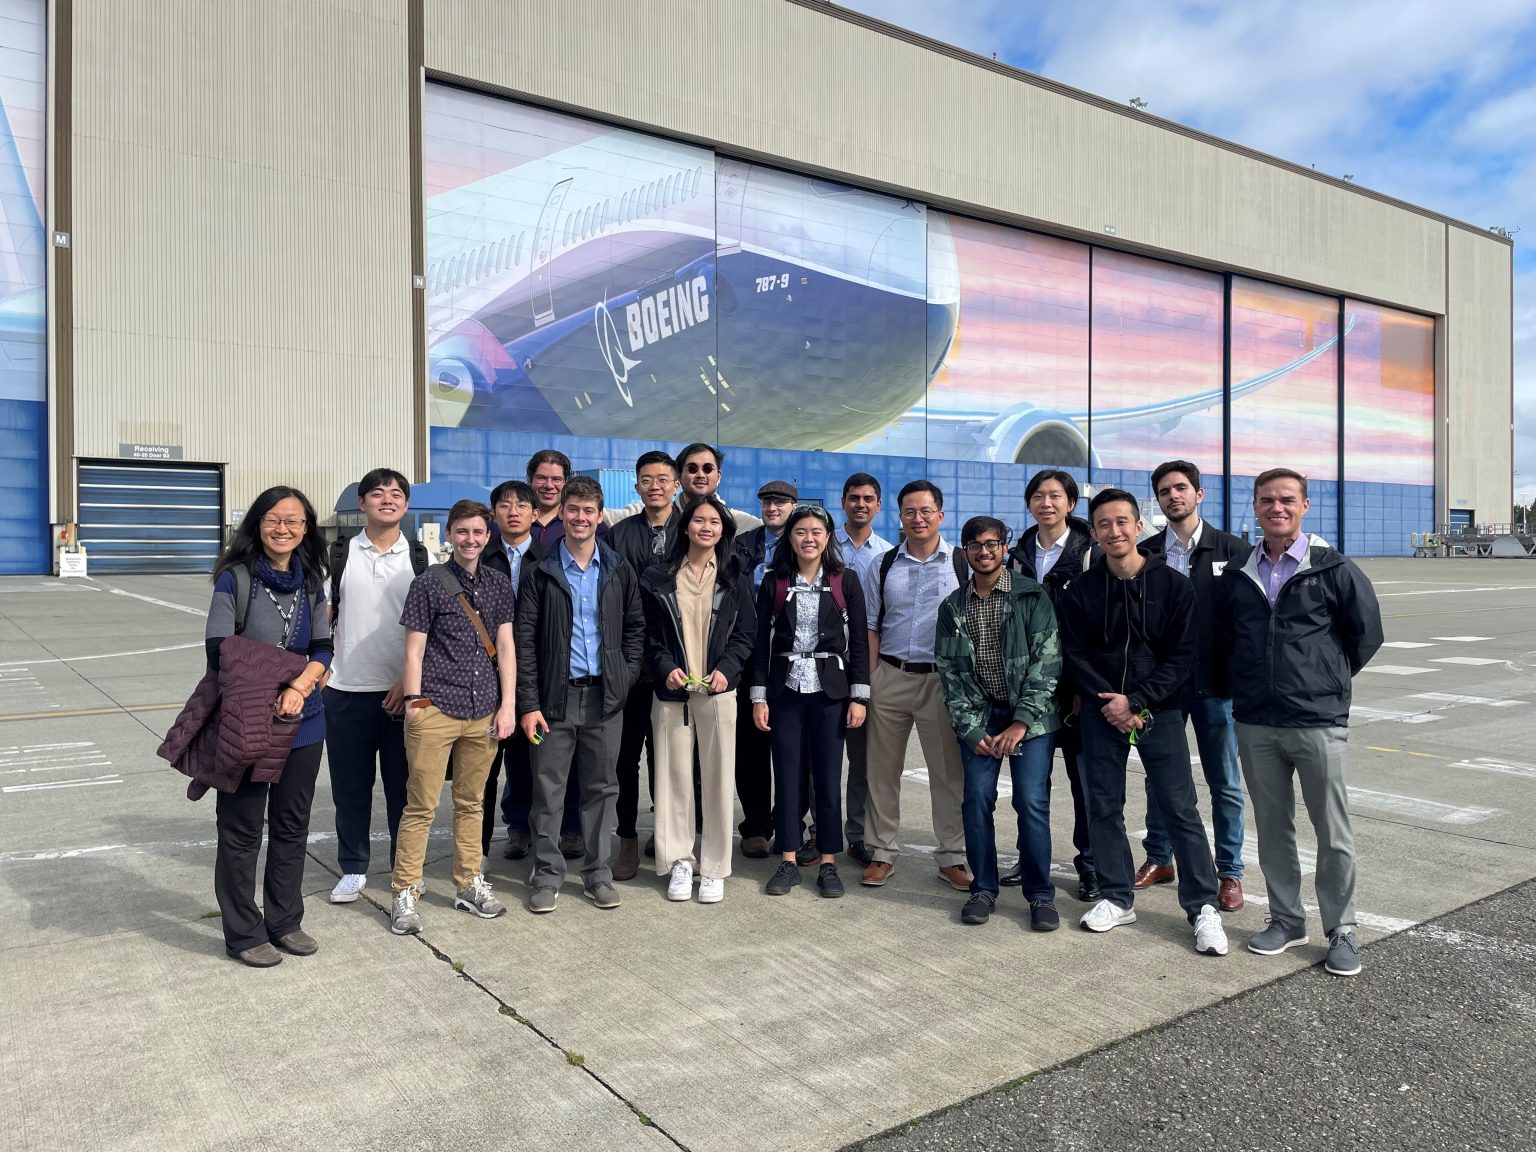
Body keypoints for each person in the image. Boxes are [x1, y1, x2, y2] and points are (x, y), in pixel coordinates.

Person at [1213, 468, 1383, 976]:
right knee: (1272, 827)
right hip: (1256, 721)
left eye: (1287, 499)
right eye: (1267, 500)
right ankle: (1287, 919)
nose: (1277, 507)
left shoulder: (1333, 568)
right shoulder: (1240, 571)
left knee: (1332, 831)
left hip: (1317, 720)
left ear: (1305, 505)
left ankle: (1342, 929)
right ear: (1255, 506)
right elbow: (1226, 639)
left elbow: (1366, 633)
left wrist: (1325, 679)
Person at [1057, 489, 1228, 957]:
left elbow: (1181, 657)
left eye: (1122, 522)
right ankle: (1117, 896)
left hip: (1160, 710)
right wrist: (1110, 703)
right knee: (1104, 807)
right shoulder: (1082, 591)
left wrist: (1138, 701)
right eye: (1104, 525)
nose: (1114, 531)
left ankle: (1203, 907)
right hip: (1100, 713)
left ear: (1138, 528)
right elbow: (1075, 655)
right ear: (1093, 533)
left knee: (1180, 808)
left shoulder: (1174, 586)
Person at [205, 487, 333, 967]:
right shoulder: (233, 580)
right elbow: (219, 651)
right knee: (240, 829)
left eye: (294, 521)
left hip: (303, 721)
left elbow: (323, 646)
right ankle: (242, 932)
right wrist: (284, 674)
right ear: (257, 525)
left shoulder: (314, 583)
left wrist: (300, 684)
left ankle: (284, 921)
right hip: (247, 720)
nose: (284, 528)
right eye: (273, 520)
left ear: (306, 529)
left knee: (291, 825)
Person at [388, 500, 519, 936]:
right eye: (462, 531)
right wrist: (414, 702)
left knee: (472, 803)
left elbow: (505, 648)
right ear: (448, 534)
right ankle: (406, 889)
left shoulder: (500, 584)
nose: (470, 539)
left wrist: (508, 705)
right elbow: (414, 649)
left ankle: (468, 882)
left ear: (488, 536)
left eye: (478, 532)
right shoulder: (428, 584)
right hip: (437, 707)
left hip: (483, 710)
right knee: (421, 805)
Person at [517, 475, 645, 913]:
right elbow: (526, 643)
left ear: (599, 515)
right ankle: (548, 874)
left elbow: (635, 629)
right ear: (561, 513)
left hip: (605, 698)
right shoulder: (541, 572)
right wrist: (529, 703)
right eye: (573, 509)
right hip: (555, 700)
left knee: (602, 788)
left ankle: (597, 873)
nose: (579, 517)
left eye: (589, 511)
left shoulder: (618, 569)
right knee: (548, 790)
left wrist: (624, 677)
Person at [936, 516, 1062, 930]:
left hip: (1031, 718)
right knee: (976, 799)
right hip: (981, 715)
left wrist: (1022, 722)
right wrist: (972, 730)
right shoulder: (953, 607)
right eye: (975, 545)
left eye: (992, 544)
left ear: (1004, 548)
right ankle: (984, 889)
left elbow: (1047, 663)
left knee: (1031, 802)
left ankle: (1040, 895)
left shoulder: (1030, 595)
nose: (984, 552)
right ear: (965, 551)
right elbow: (951, 673)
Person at [1136, 460, 1250, 911]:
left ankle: (1230, 873)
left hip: (1215, 687)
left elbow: (1247, 621)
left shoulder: (1233, 550)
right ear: (1158, 500)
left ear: (1199, 494)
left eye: (1181, 488)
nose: (1173, 496)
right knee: (1159, 778)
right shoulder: (1146, 553)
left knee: (1224, 781)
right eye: (1164, 491)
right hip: (1162, 688)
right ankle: (1159, 857)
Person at [640, 494, 755, 903]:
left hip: (719, 691)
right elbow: (648, 636)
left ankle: (714, 867)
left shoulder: (736, 576)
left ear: (723, 531)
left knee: (720, 778)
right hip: (672, 693)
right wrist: (664, 665)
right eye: (699, 520)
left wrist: (727, 669)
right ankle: (679, 862)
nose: (706, 527)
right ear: (685, 526)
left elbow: (745, 636)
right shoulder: (657, 576)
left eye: (715, 522)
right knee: (672, 778)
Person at [323, 468, 429, 905]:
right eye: (378, 493)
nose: (388, 499)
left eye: (397, 493)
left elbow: (432, 629)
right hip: (346, 689)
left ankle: (404, 870)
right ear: (362, 502)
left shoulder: (421, 559)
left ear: (406, 505)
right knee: (350, 787)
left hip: (402, 695)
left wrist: (407, 680)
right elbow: (321, 618)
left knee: (404, 789)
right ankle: (353, 866)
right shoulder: (339, 555)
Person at [752, 505, 869, 897]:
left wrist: (859, 697)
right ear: (790, 537)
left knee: (827, 778)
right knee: (785, 776)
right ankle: (787, 858)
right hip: (785, 692)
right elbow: (759, 645)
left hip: (830, 693)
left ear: (827, 537)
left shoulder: (845, 580)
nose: (808, 538)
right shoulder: (775, 582)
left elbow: (859, 651)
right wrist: (758, 697)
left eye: (817, 531)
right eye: (800, 531)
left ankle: (828, 861)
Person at [861, 480, 971, 891]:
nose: (918, 518)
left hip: (940, 681)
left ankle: (952, 856)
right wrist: (871, 680)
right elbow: (871, 625)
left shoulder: (960, 563)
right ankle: (882, 852)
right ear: (900, 516)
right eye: (910, 511)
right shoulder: (884, 564)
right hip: (889, 675)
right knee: (881, 771)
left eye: (926, 511)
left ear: (941, 515)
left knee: (947, 773)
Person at [1005, 468, 1099, 902]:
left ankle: (1092, 865)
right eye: (1038, 496)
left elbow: (1101, 628)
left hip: (1077, 690)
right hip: (1028, 689)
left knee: (1085, 784)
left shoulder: (1089, 554)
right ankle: (1031, 857)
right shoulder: (1015, 556)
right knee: (1030, 785)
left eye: (1056, 496)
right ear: (1029, 504)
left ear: (1071, 504)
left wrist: (1087, 686)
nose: (1047, 503)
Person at [479, 479, 580, 861]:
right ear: (494, 514)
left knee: (547, 761)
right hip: (488, 678)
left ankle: (560, 831)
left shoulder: (554, 559)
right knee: (490, 765)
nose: (513, 511)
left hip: (541, 677)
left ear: (536, 515)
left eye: (522, 506)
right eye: (505, 505)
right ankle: (497, 838)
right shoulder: (480, 558)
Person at [608, 450, 683, 878]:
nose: (654, 486)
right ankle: (627, 840)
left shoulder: (692, 529)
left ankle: (667, 835)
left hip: (676, 663)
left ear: (675, 485)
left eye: (662, 479)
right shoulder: (619, 533)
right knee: (625, 757)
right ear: (636, 487)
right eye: (646, 480)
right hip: (630, 665)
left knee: (669, 757)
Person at [733, 479, 806, 859]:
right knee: (751, 748)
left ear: (794, 505)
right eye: (766, 501)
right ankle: (756, 826)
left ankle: (793, 823)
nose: (772, 507)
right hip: (750, 657)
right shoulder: (743, 545)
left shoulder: (806, 545)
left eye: (780, 501)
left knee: (797, 748)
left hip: (795, 658)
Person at [834, 472, 892, 866]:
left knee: (862, 761)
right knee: (813, 760)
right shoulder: (821, 544)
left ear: (878, 505)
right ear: (843, 502)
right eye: (854, 497)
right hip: (816, 666)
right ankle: (814, 831)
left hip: (861, 667)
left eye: (869, 498)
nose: (861, 504)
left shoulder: (887, 556)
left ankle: (857, 834)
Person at [603, 441, 762, 531]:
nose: (700, 475)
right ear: (678, 475)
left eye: (707, 468)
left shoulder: (736, 521)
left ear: (718, 476)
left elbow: (774, 527)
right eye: (692, 469)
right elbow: (595, 514)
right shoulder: (645, 514)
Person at [526, 448, 609, 550]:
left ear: (566, 482)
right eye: (541, 478)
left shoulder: (593, 526)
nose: (549, 485)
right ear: (530, 480)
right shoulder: (512, 520)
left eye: (556, 479)